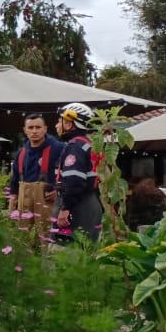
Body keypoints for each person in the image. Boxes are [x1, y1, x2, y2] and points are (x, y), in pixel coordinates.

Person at [7, 113, 65, 244]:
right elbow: (15, 179)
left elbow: (69, 174)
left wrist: (59, 190)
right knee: (23, 238)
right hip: (24, 198)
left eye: (38, 127)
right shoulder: (21, 153)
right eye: (31, 127)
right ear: (25, 130)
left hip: (46, 200)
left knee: (47, 237)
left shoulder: (59, 148)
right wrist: (13, 198)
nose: (34, 131)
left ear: (45, 129)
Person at [53, 102, 104, 243]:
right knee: (86, 253)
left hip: (78, 207)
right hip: (90, 203)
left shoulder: (75, 146)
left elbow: (74, 181)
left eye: (59, 121)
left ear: (69, 124)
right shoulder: (89, 144)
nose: (56, 125)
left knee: (69, 255)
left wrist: (65, 208)